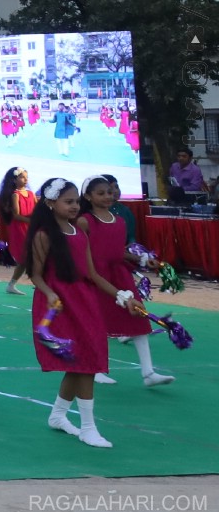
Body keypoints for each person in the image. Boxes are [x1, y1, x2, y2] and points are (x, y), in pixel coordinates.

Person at [26, 178, 136, 448]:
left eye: (76, 201)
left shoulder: (79, 233)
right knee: (84, 365)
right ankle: (88, 427)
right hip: (59, 306)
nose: (75, 206)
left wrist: (121, 295)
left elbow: (93, 274)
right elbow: (35, 275)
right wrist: (51, 294)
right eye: (68, 201)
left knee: (83, 361)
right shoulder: (44, 235)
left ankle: (59, 414)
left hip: (84, 302)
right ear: (51, 203)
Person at [78, 174, 172, 388]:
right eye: (100, 193)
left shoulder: (119, 221)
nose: (107, 196)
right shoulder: (85, 221)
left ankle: (148, 372)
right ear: (88, 196)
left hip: (119, 275)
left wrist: (141, 259)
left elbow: (118, 251)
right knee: (98, 322)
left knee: (138, 317)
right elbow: (81, 252)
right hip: (95, 277)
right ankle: (96, 368)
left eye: (109, 192)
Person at [0, 167, 35, 291]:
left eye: (26, 177)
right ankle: (35, 282)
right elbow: (16, 215)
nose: (25, 179)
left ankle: (12, 284)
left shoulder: (31, 194)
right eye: (22, 177)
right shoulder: (15, 195)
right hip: (20, 228)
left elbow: (36, 210)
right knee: (26, 257)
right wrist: (31, 220)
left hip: (32, 227)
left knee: (32, 256)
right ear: (14, 180)